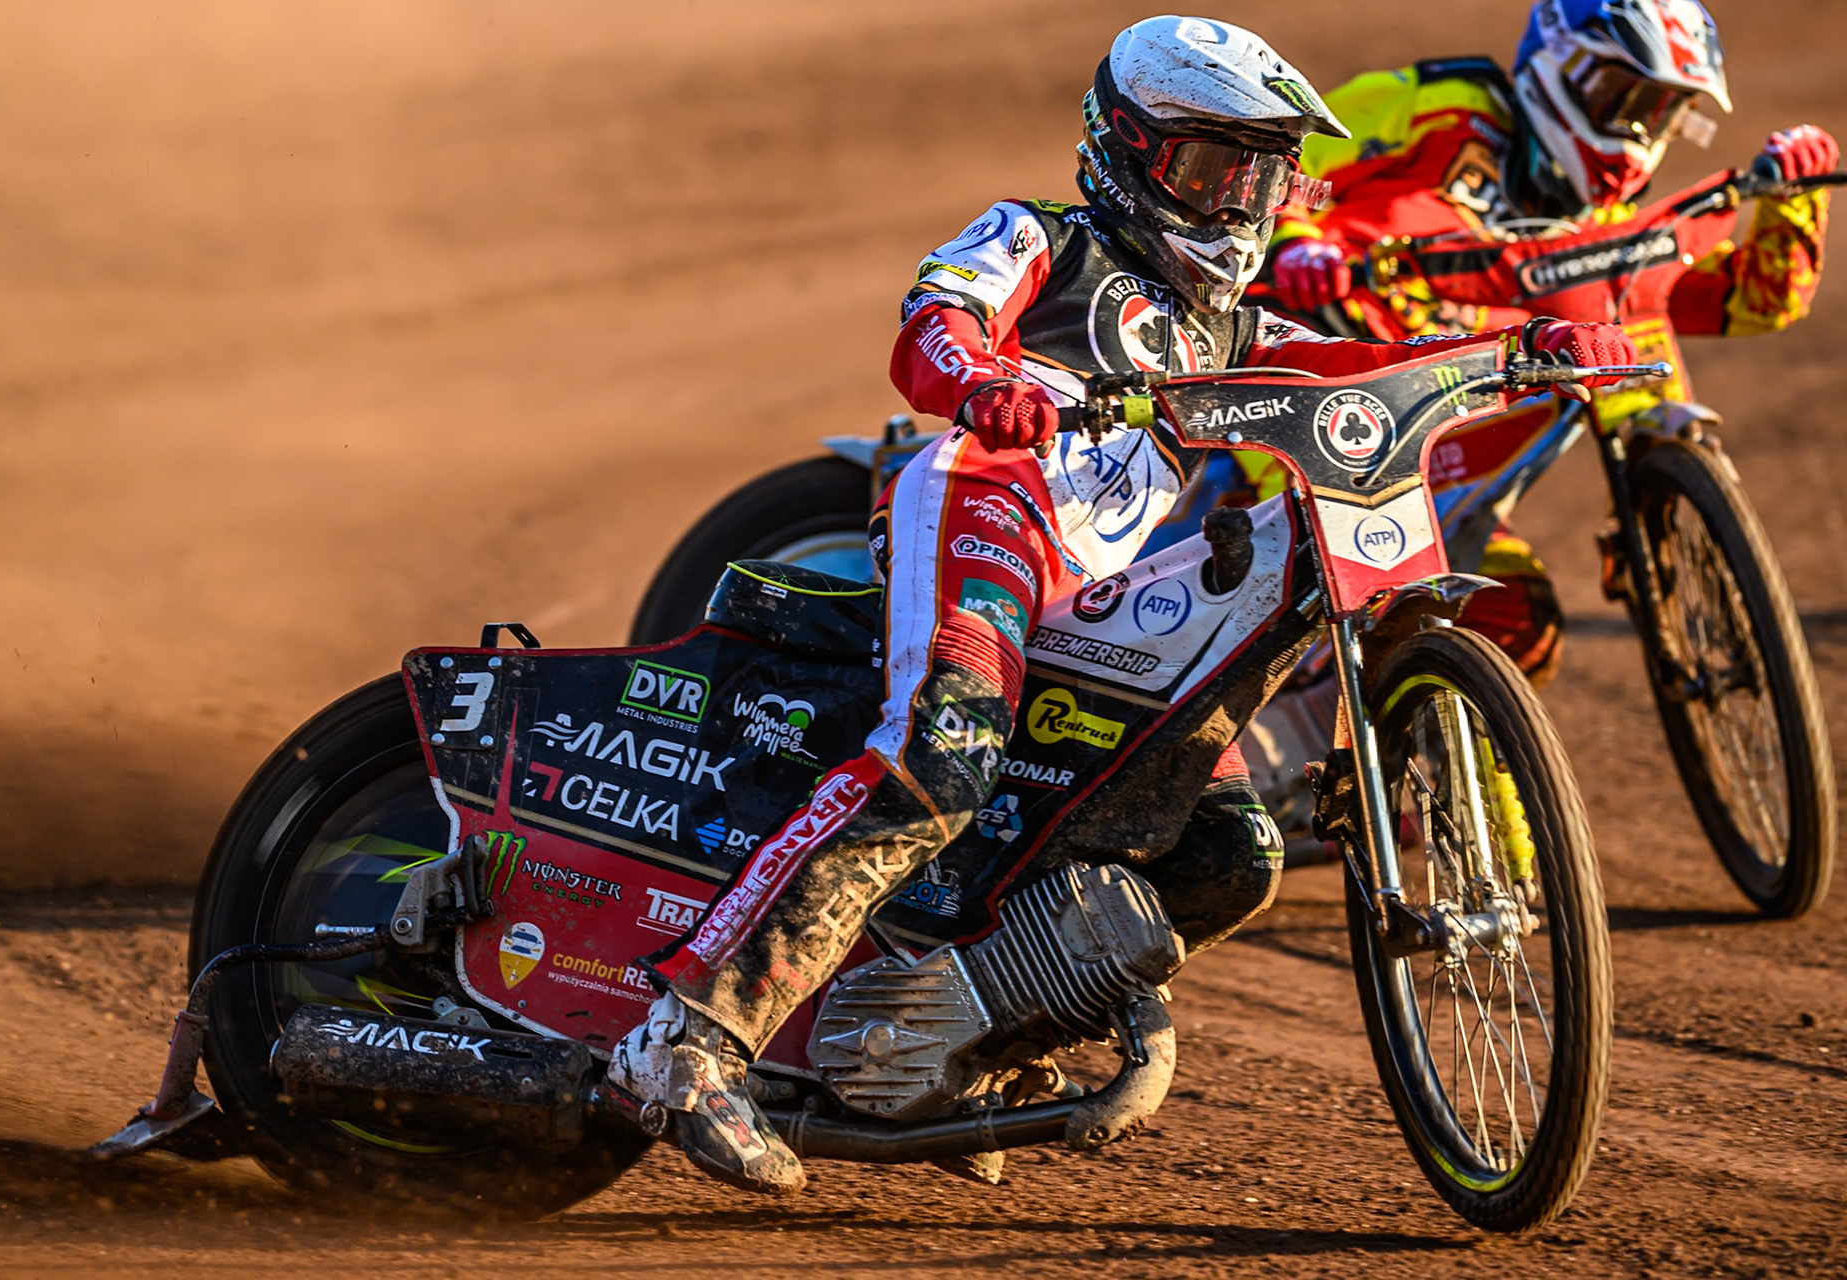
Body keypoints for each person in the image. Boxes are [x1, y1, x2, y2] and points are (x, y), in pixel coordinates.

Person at [604, 15, 1637, 1197]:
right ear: (1129, 149)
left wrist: (1529, 349)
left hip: (1095, 585)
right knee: (940, 756)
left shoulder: (1229, 327)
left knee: (1230, 849)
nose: (1240, 200)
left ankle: (956, 1034)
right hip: (988, 507)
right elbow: (934, 318)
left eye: (1263, 172)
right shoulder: (1041, 238)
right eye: (1213, 168)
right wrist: (980, 378)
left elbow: (1357, 363)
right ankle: (687, 1033)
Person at [1261, 0, 1835, 682]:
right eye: (1623, 96)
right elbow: (1282, 157)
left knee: (1514, 625)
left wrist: (1797, 199)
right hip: (1312, 403)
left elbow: (1750, 300)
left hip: (1438, 452)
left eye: (1660, 111)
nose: (1636, 129)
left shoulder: (1604, 221)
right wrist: (1299, 245)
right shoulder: (1437, 103)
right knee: (1296, 609)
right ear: (1562, 64)